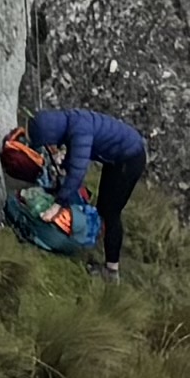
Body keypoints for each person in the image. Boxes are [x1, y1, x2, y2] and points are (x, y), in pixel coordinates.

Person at [25, 94, 148, 271]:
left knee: (111, 212)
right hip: (117, 157)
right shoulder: (69, 120)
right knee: (102, 207)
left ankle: (112, 271)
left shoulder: (79, 131)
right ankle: (96, 240)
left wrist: (58, 205)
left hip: (130, 159)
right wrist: (64, 165)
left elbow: (77, 173)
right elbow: (76, 154)